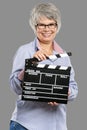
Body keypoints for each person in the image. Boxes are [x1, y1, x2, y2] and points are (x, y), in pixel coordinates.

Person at [9, 2, 78, 130]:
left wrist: (64, 93)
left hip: (57, 126)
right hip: (26, 125)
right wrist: (30, 66)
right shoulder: (24, 51)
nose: (47, 29)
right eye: (42, 25)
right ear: (35, 27)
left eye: (51, 24)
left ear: (57, 27)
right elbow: (15, 87)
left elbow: (74, 88)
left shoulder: (63, 56)